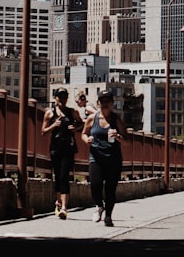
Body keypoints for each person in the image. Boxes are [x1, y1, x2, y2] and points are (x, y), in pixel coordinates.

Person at [81, 90, 126, 227]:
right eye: (102, 101)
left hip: (113, 159)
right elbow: (83, 133)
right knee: (95, 185)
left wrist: (118, 136)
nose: (105, 104)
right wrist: (86, 139)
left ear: (112, 103)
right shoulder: (92, 118)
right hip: (96, 158)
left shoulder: (116, 119)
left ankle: (108, 217)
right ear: (98, 103)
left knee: (110, 189)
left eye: (108, 101)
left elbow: (128, 141)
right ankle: (99, 205)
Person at [41, 87, 81, 219]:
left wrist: (75, 128)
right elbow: (43, 132)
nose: (63, 99)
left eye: (65, 97)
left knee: (64, 176)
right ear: (55, 98)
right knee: (57, 176)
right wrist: (53, 126)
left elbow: (82, 124)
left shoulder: (72, 112)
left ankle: (64, 207)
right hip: (55, 148)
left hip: (68, 147)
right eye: (60, 97)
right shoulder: (50, 113)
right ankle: (58, 203)